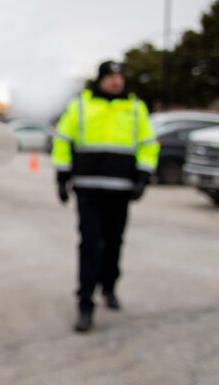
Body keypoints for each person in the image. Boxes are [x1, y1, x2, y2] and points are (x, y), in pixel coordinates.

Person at [51, 60, 159, 333]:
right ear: (100, 79)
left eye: (120, 76)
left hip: (120, 190)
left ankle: (109, 287)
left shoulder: (135, 108)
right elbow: (63, 139)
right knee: (89, 245)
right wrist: (62, 177)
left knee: (114, 243)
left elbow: (148, 145)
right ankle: (85, 304)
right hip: (87, 189)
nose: (116, 81)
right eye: (111, 76)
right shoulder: (81, 105)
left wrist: (143, 176)